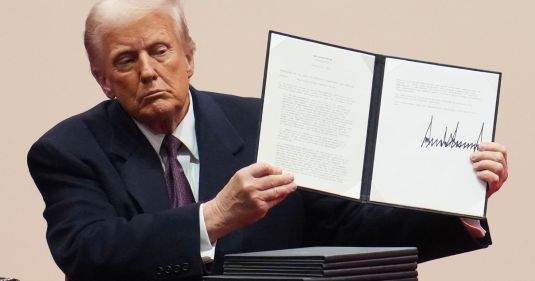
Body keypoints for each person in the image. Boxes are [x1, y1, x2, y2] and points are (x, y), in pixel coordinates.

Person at [27, 1, 509, 280]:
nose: (149, 71)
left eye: (160, 51)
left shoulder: (265, 124)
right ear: (103, 79)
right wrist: (212, 218)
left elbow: (348, 227)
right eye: (126, 61)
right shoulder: (68, 150)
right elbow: (88, 252)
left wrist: (457, 201)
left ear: (189, 58)